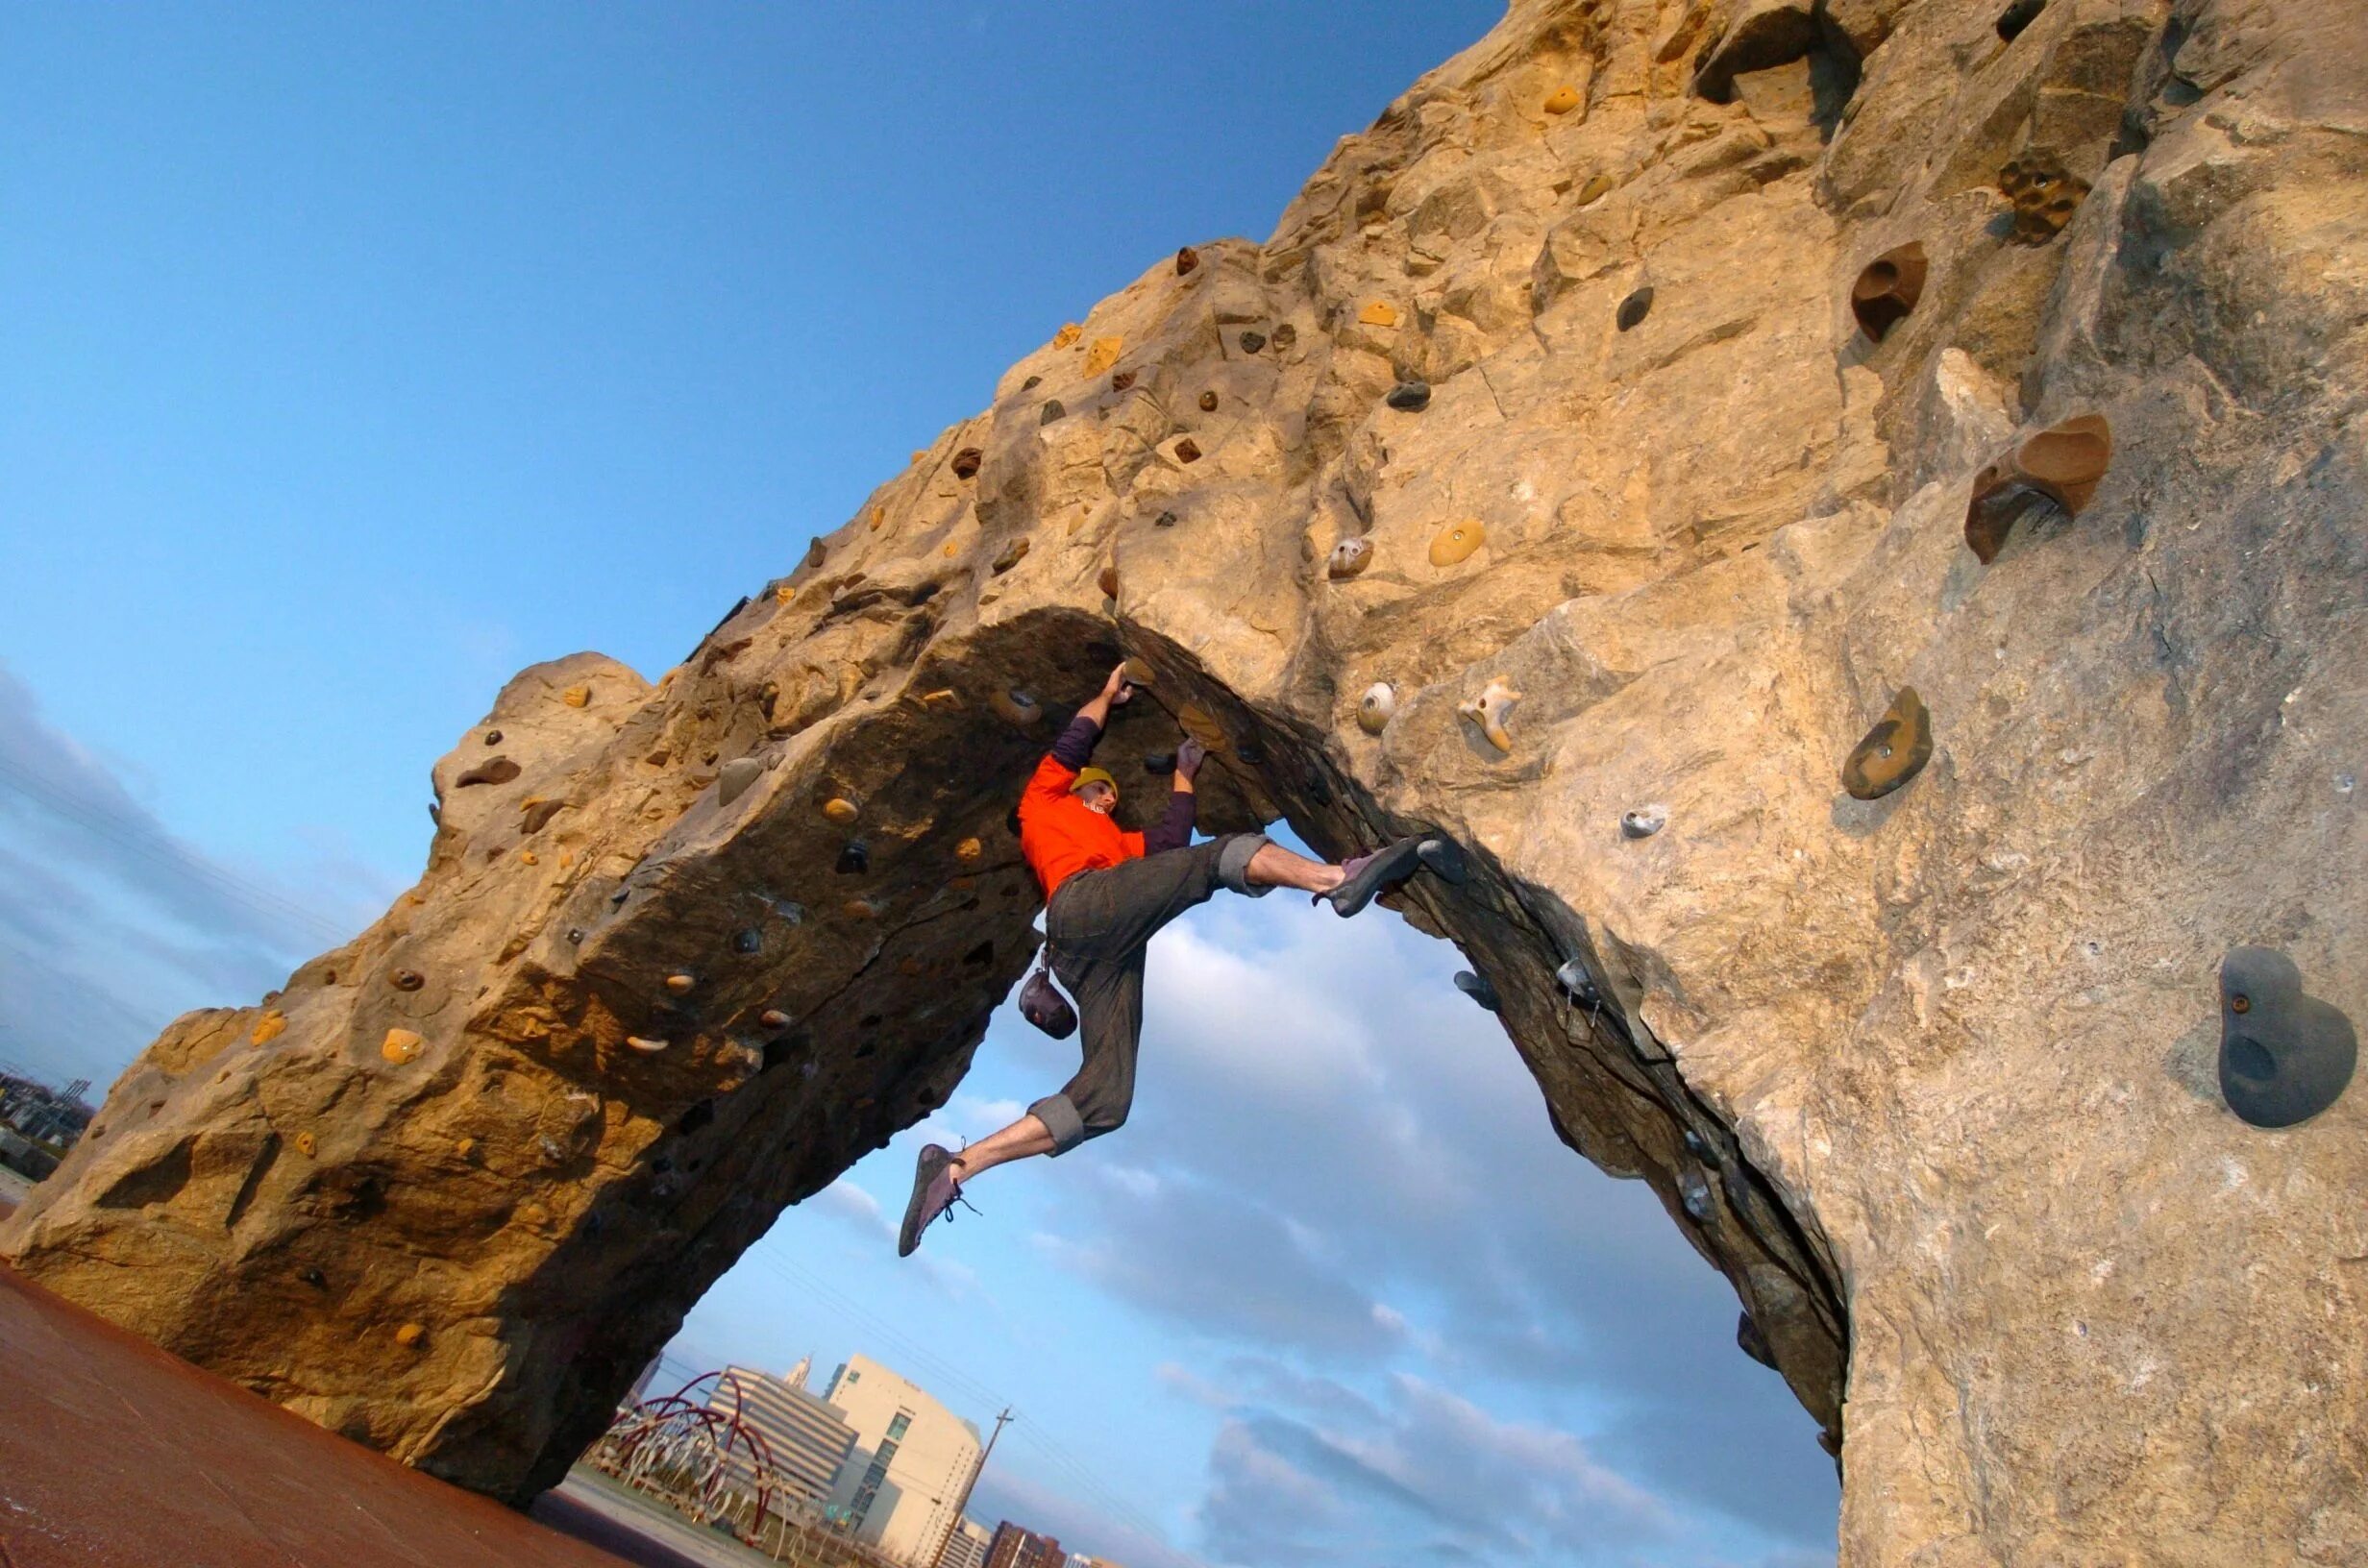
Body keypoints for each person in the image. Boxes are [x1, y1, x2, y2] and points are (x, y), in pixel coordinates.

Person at [900, 663, 1459, 1255]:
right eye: (1097, 786)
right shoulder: (1044, 801)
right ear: (1075, 788)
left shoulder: (1120, 843)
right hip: (1080, 907)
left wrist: (1186, 776)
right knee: (1218, 860)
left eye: (1110, 790)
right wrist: (1105, 695)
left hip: (1100, 955)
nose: (1107, 793)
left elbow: (1169, 845)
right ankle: (1333, 880)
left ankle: (955, 1167)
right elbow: (1073, 741)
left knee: (1107, 1100)